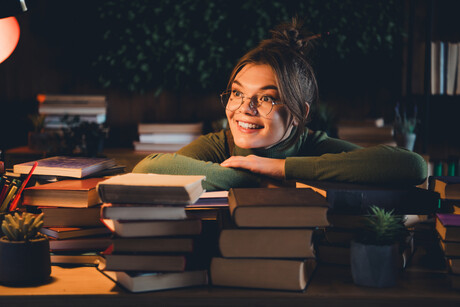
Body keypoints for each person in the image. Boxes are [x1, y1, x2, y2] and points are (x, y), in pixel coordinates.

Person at [133, 19, 427, 191]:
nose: (244, 109)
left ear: (300, 115)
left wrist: (279, 168)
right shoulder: (218, 146)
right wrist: (251, 176)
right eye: (237, 94)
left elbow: (412, 166)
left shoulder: (313, 147)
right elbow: (148, 170)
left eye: (266, 98)